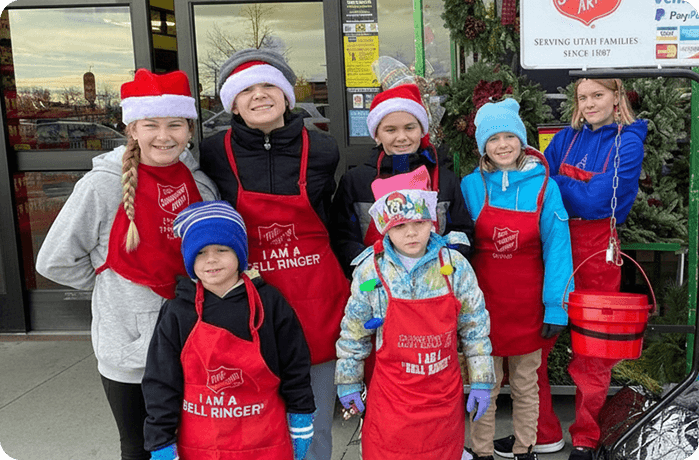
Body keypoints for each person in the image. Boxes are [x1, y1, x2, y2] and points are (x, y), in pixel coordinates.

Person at [35, 69, 218, 460]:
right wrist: (110, 282)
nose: (164, 136)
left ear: (188, 129)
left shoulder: (199, 184)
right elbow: (54, 260)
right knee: (140, 447)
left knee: (194, 444)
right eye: (151, 124)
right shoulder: (102, 185)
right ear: (132, 129)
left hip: (194, 343)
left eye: (175, 124)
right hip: (132, 352)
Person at [198, 48, 349, 460]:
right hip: (248, 303)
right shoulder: (212, 153)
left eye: (269, 86)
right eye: (246, 89)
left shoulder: (322, 149)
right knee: (252, 414)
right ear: (233, 102)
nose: (259, 95)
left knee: (314, 417)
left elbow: (333, 220)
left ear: (286, 95)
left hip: (316, 298)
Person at [335, 177, 496, 460]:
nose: (411, 234)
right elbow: (354, 332)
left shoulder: (455, 266)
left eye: (419, 224)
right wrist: (348, 380)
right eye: (400, 226)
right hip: (392, 400)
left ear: (432, 223)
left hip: (442, 398)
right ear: (386, 227)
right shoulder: (371, 271)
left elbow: (475, 329)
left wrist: (482, 381)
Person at [142, 200, 315, 460]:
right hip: (202, 445)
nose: (211, 259)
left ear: (239, 254)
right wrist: (161, 439)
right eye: (200, 252)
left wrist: (301, 414)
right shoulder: (178, 311)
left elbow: (295, 363)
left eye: (222, 249)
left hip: (265, 439)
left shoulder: (269, 302)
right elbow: (161, 380)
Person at [528, 78, 644, 460]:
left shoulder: (628, 141)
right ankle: (542, 432)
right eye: (583, 97)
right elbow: (540, 183)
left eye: (598, 95)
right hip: (554, 247)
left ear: (616, 97)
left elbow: (601, 204)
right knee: (534, 345)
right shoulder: (566, 138)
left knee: (592, 353)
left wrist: (562, 184)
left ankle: (586, 437)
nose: (590, 103)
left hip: (598, 253)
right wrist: (576, 186)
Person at [460, 98, 573, 460]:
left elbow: (558, 249)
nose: (503, 145)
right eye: (494, 139)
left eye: (510, 136)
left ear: (522, 141)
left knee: (526, 385)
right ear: (483, 146)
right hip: (482, 309)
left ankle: (525, 448)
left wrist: (557, 306)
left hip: (528, 307)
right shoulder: (470, 186)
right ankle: (482, 451)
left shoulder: (545, 187)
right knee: (484, 385)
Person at [330, 83, 474, 279]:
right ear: (377, 135)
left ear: (421, 130)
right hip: (377, 286)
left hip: (435, 284)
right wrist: (373, 272)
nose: (402, 137)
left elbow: (462, 232)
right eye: (391, 130)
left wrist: (444, 265)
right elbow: (343, 238)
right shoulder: (356, 182)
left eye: (410, 128)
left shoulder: (444, 179)